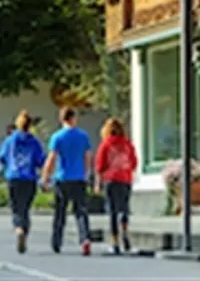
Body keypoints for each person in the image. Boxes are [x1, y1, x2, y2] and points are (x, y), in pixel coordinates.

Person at [41, 107, 93, 256]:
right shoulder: (83, 136)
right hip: (78, 178)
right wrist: (87, 173)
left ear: (62, 119)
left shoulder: (57, 137)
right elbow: (88, 156)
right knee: (81, 211)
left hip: (62, 178)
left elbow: (52, 158)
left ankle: (57, 242)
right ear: (73, 118)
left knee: (60, 212)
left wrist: (45, 177)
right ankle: (85, 238)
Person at [0, 110, 46, 254]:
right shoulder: (34, 141)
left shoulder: (10, 140)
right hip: (29, 178)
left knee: (16, 207)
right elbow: (40, 160)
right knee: (26, 208)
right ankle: (24, 230)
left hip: (13, 177)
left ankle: (18, 228)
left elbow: (2, 157)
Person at [94, 117, 137, 254]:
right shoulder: (127, 144)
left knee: (112, 211)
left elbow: (100, 166)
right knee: (124, 207)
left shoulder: (105, 145)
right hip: (125, 179)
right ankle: (125, 230)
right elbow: (134, 163)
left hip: (111, 180)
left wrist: (98, 183)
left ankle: (115, 241)